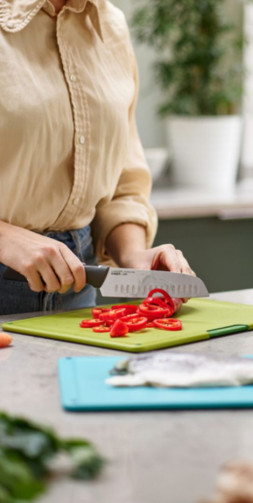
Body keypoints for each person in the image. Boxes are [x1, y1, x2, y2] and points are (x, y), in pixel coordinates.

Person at [0, 0, 194, 315]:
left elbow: (122, 181)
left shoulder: (111, 26)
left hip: (76, 287)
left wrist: (133, 255)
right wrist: (6, 239)